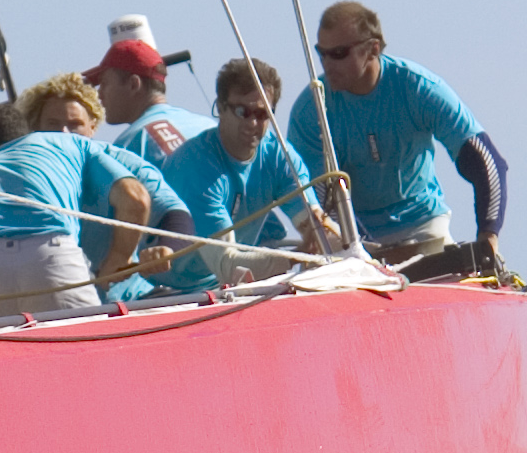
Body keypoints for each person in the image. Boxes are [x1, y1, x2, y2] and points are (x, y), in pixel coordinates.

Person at [287, 0, 508, 264]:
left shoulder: (417, 88)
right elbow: (314, 196)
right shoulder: (312, 108)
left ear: (372, 49)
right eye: (321, 53)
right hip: (355, 241)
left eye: (339, 53)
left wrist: (488, 238)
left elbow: (487, 163)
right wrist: (362, 246)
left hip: (424, 229)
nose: (326, 63)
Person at [0, 102, 169, 318]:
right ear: (27, 131)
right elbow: (135, 198)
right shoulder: (68, 143)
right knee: (91, 349)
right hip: (51, 259)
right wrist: (118, 259)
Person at [19, 70, 192, 298]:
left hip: (131, 298)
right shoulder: (21, 174)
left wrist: (166, 248)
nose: (64, 134)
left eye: (75, 125)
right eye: (53, 124)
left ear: (93, 126)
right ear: (36, 128)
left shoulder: (122, 161)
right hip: (58, 304)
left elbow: (176, 214)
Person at [166, 57, 327, 290]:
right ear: (220, 108)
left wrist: (337, 244)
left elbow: (318, 229)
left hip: (229, 287)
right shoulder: (195, 167)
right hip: (169, 293)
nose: (253, 123)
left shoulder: (279, 155)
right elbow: (228, 266)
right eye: (243, 111)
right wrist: (299, 258)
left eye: (263, 115)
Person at [86, 35, 215, 164]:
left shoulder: (128, 147)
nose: (99, 94)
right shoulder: (209, 127)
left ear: (133, 84)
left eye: (104, 83)